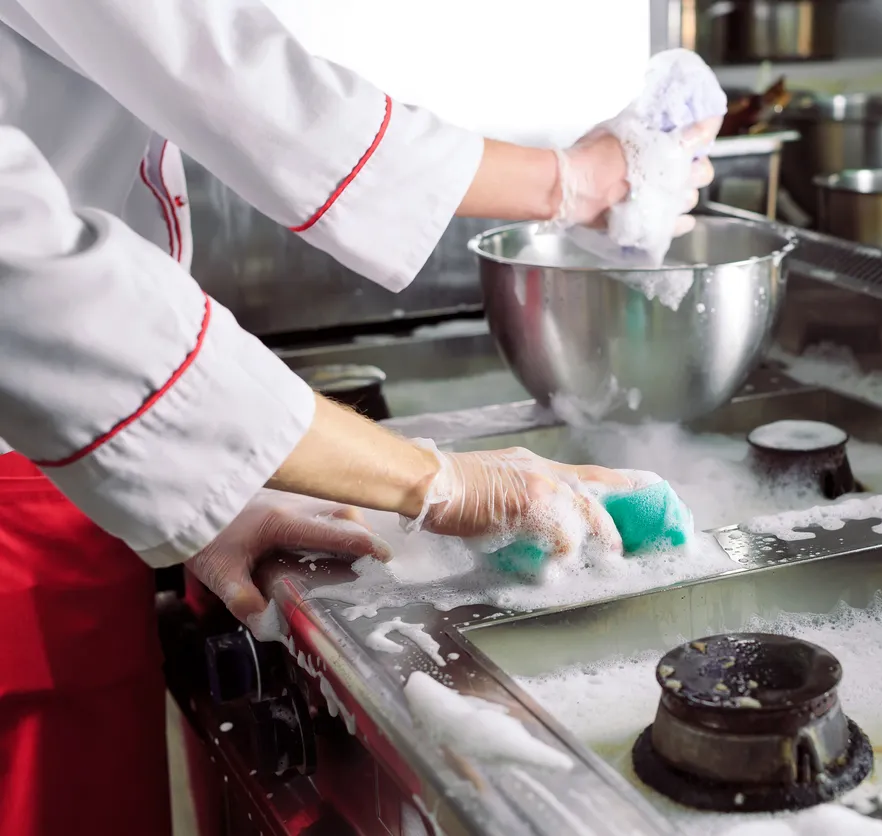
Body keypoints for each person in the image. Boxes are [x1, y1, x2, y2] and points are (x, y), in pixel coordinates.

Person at [0, 1, 719, 833]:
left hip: (57, 479)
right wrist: (442, 480)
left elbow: (214, 61)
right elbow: (36, 290)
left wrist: (206, 486)